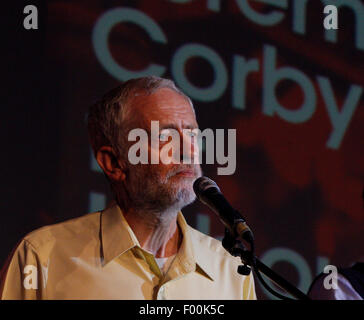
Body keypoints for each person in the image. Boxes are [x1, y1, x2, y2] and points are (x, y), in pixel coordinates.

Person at [0, 76, 256, 300]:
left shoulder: (230, 268)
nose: (187, 151)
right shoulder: (42, 257)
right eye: (164, 137)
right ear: (113, 163)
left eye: (191, 134)